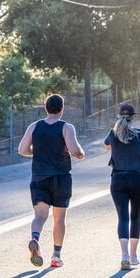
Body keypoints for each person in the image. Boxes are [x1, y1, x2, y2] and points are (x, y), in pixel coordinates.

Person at [18, 94, 86, 268]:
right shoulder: (66, 128)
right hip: (61, 178)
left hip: (39, 177)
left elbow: (22, 150)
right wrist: (81, 153)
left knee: (40, 215)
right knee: (59, 219)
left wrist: (39, 151)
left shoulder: (34, 126)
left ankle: (35, 238)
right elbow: (74, 150)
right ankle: (56, 256)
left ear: (45, 108)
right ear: (62, 109)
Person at [104, 103, 140, 270]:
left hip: (118, 180)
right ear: (134, 117)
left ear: (119, 116)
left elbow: (107, 146)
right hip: (138, 179)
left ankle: (123, 255)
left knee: (122, 217)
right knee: (135, 216)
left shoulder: (112, 133)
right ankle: (133, 256)